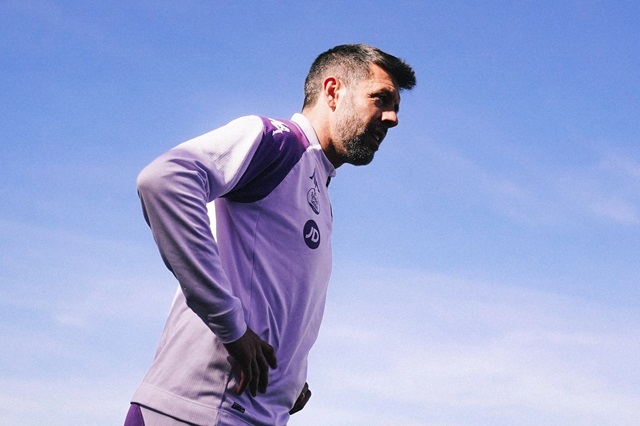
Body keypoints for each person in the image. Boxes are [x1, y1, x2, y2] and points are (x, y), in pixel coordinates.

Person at [124, 44, 416, 426]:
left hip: (256, 415)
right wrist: (231, 326)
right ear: (333, 91)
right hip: (197, 409)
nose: (392, 118)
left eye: (396, 107)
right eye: (381, 99)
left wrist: (290, 380)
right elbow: (165, 180)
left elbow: (276, 296)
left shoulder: (320, 191)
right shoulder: (278, 143)